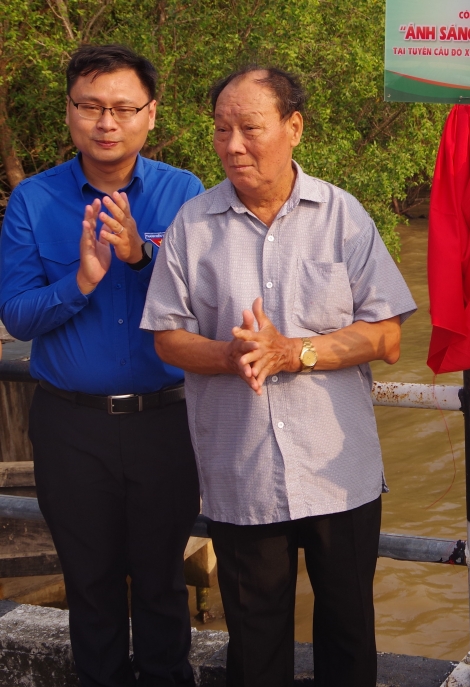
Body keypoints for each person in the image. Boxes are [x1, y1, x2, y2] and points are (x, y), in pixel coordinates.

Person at [141, 66, 416, 687]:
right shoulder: (193, 225)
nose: (233, 145)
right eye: (221, 130)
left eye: (249, 128)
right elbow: (166, 335)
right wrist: (230, 356)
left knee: (348, 635)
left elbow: (387, 336)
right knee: (255, 640)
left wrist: (296, 352)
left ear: (293, 128)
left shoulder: (342, 216)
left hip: (337, 475)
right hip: (243, 471)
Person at [0, 44, 203, 687]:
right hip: (70, 425)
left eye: (121, 108)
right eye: (89, 106)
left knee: (162, 584)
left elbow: (203, 311)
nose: (105, 122)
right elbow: (19, 316)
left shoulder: (184, 194)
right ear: (69, 113)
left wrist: (141, 261)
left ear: (150, 114)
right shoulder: (33, 200)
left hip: (165, 422)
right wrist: (80, 283)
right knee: (88, 587)